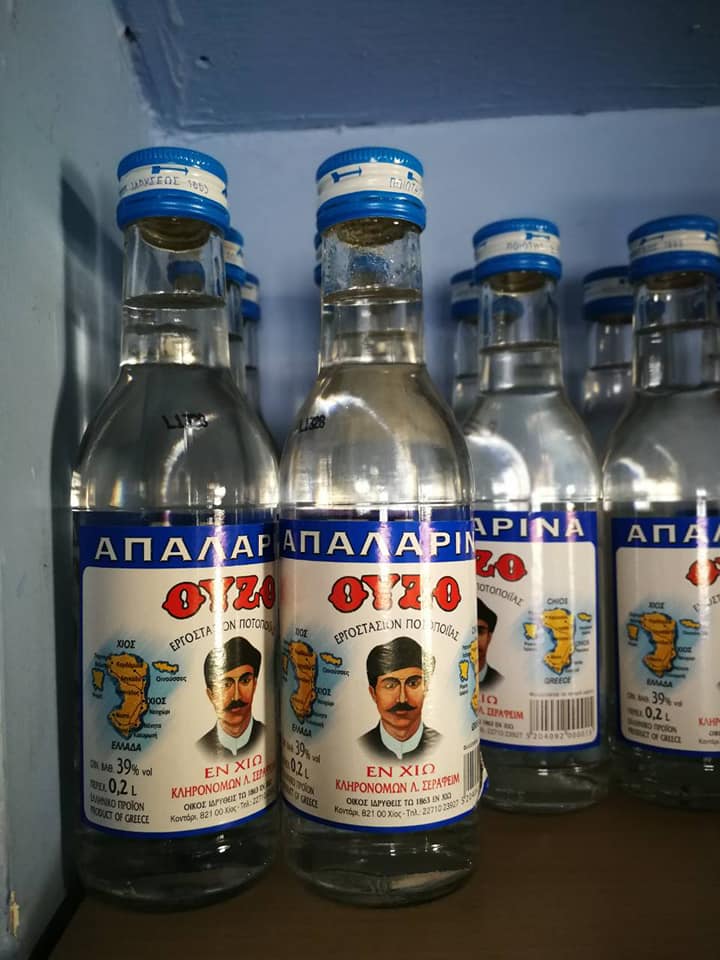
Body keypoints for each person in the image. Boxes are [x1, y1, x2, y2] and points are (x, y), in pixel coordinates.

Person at [359, 636, 440, 759]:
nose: (402, 699)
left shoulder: (444, 745)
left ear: (426, 688)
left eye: (413, 683)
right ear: (373, 693)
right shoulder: (360, 746)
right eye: (390, 685)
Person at [197, 636, 264, 756]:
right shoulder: (200, 747)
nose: (236, 696)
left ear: (254, 684)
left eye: (245, 681)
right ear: (211, 695)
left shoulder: (267, 736)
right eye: (225, 684)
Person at [477, 597, 502, 688]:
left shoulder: (498, 680)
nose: (473, 640)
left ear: (489, 637)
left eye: (479, 631)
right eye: (468, 632)